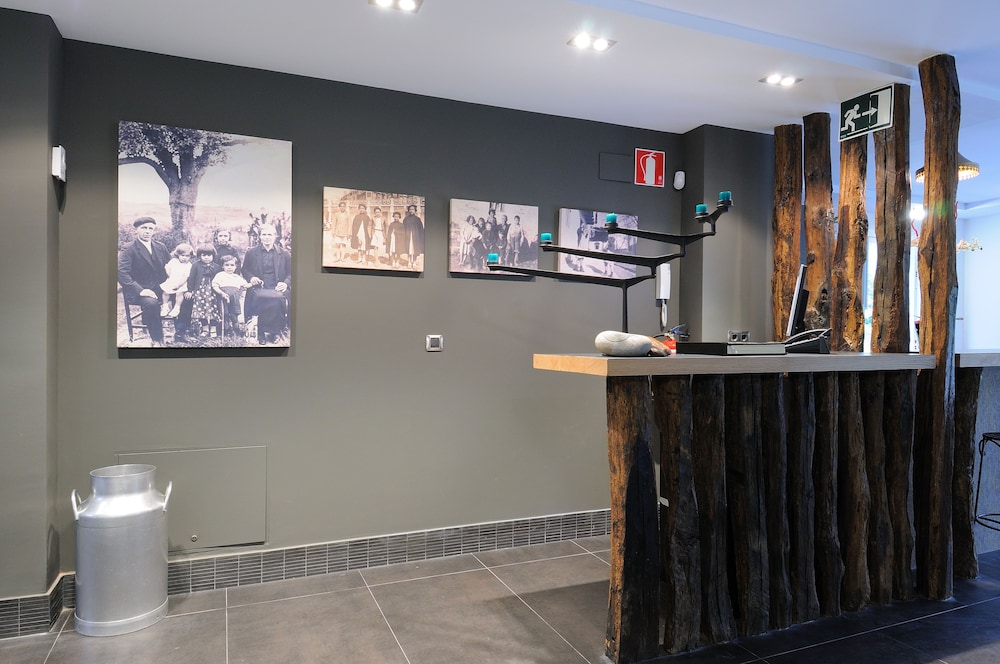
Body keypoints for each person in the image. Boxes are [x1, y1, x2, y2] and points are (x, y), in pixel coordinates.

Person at [118, 216, 171, 346]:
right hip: (138, 291)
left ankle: (181, 332)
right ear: (136, 230)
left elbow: (171, 266)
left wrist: (174, 282)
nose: (147, 231)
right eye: (144, 228)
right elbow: (121, 272)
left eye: (151, 228)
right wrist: (141, 290)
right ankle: (157, 340)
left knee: (186, 296)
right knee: (152, 304)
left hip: (160, 288)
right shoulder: (129, 248)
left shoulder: (161, 247)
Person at [242, 223, 290, 344]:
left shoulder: (284, 253)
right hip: (259, 285)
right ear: (260, 236)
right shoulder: (251, 252)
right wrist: (252, 278)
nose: (267, 237)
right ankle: (261, 332)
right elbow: (245, 270)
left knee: (277, 299)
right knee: (260, 298)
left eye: (269, 234)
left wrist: (285, 283)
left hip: (277, 284)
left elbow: (291, 273)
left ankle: (275, 332)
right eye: (264, 234)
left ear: (275, 236)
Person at [186, 245, 221, 339]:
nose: (206, 257)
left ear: (213, 256)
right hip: (200, 291)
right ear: (199, 256)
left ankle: (213, 329)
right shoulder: (195, 265)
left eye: (209, 255)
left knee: (214, 309)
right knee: (201, 310)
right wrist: (190, 290)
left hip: (213, 292)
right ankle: (205, 329)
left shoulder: (216, 267)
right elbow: (191, 279)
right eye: (204, 255)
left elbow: (220, 279)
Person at [212, 255, 249, 336]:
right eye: (227, 265)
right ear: (222, 266)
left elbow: (245, 285)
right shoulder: (220, 275)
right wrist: (222, 293)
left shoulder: (237, 277)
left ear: (235, 267)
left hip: (234, 299)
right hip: (223, 298)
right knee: (225, 315)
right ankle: (226, 331)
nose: (229, 267)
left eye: (232, 265)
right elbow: (214, 286)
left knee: (234, 315)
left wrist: (252, 283)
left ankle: (236, 331)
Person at [159, 242, 193, 318]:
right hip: (172, 280)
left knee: (179, 293)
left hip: (181, 282)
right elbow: (167, 268)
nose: (184, 258)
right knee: (165, 292)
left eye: (187, 256)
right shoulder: (173, 261)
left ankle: (177, 307)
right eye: (182, 255)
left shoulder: (188, 265)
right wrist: (169, 276)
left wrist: (178, 285)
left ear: (190, 256)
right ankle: (165, 306)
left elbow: (186, 277)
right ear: (178, 255)